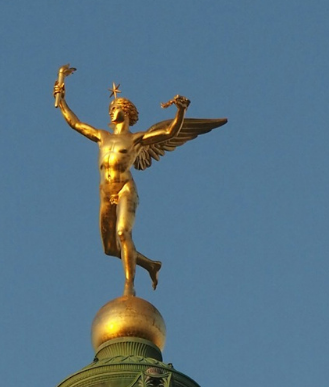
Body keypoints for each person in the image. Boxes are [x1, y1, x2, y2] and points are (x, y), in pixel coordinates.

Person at [53, 69, 226, 297]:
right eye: (111, 109)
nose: (112, 111)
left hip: (125, 189)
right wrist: (62, 97)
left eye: (116, 108)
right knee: (110, 249)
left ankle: (129, 288)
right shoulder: (102, 136)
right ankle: (151, 265)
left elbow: (169, 132)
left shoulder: (136, 139)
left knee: (123, 233)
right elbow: (76, 123)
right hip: (105, 192)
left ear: (126, 112)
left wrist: (181, 112)